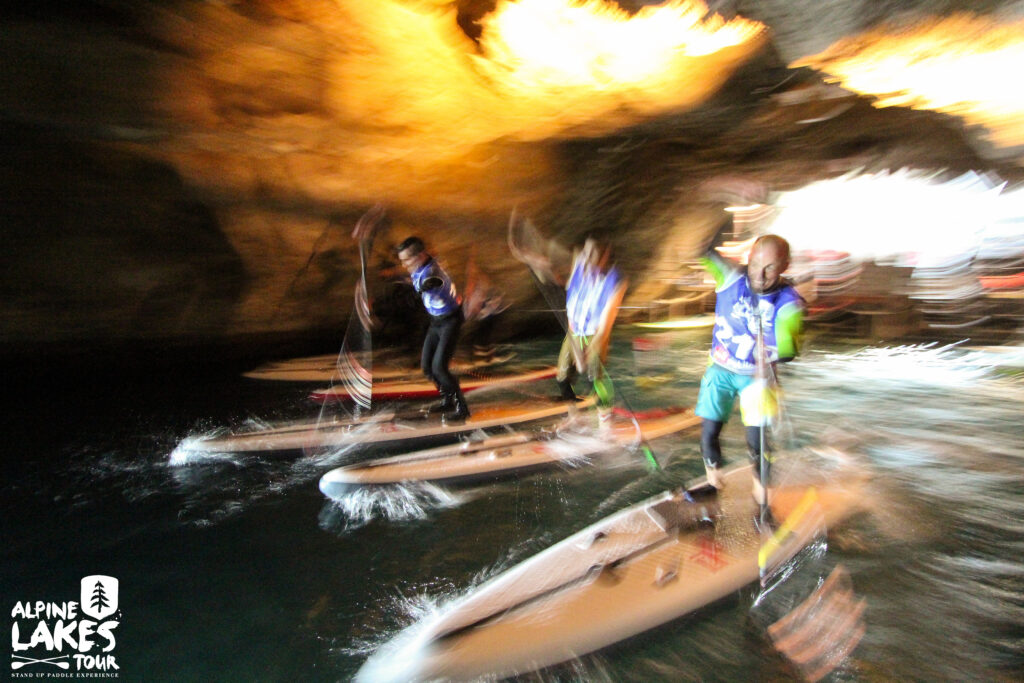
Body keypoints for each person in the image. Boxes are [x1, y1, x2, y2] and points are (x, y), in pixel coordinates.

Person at [693, 222, 804, 512]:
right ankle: (714, 484)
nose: (760, 274)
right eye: (755, 264)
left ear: (784, 266)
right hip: (721, 369)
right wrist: (719, 200)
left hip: (757, 378)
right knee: (708, 433)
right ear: (748, 258)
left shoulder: (789, 303)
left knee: (758, 444)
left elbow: (790, 351)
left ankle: (762, 499)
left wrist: (770, 356)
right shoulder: (729, 277)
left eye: (770, 267)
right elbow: (702, 250)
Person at [396, 236, 470, 421]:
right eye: (402, 260)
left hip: (450, 321)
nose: (405, 265)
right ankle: (448, 400)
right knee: (427, 368)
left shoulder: (432, 273)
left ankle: (462, 408)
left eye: (407, 260)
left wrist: (421, 288)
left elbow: (433, 281)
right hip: (436, 321)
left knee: (440, 368)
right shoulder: (420, 266)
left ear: (420, 256)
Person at [557, 238, 627, 418]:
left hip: (595, 335)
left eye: (592, 255)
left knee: (593, 378)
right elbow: (568, 293)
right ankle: (573, 414)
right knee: (562, 377)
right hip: (575, 332)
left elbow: (604, 328)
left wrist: (586, 353)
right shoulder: (579, 265)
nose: (586, 258)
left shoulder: (615, 282)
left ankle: (605, 416)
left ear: (603, 258)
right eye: (585, 253)